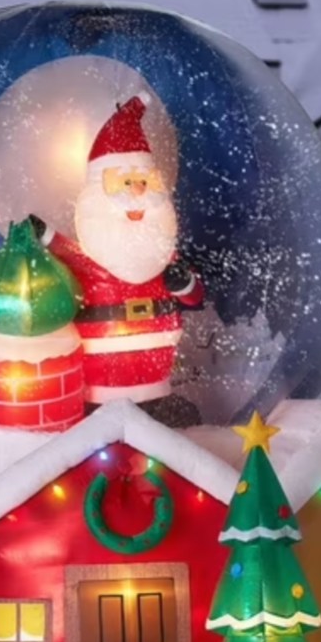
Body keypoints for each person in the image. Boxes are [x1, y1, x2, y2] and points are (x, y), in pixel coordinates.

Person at [30, 93, 203, 426]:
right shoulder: (91, 256)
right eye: (125, 183)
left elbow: (195, 296)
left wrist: (184, 283)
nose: (137, 192)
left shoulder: (164, 254)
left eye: (144, 182)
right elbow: (64, 249)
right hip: (98, 393)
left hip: (158, 387)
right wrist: (38, 233)